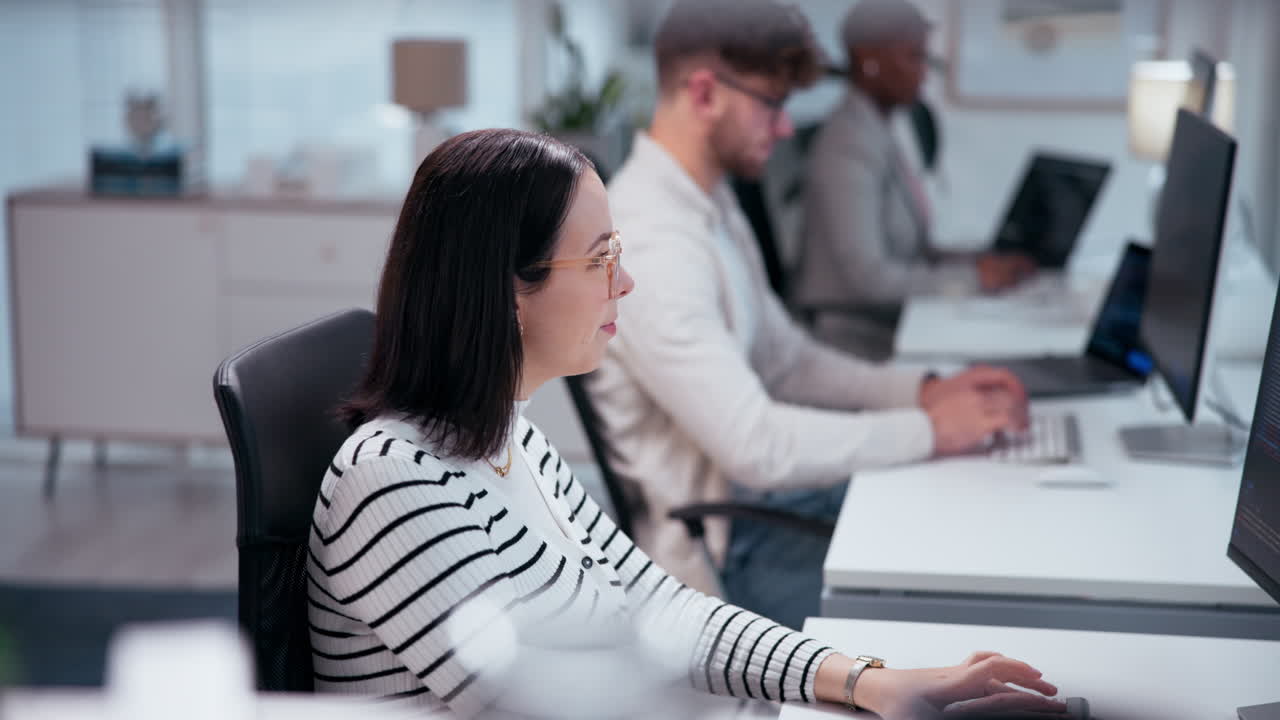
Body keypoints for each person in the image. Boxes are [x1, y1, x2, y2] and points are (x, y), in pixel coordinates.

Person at [307, 127, 1066, 720]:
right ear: (508, 294)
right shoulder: (393, 481)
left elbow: (656, 605)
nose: (626, 282)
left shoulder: (515, 441)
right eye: (601, 257)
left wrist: (869, 682)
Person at [588, 0, 1030, 628]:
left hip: (763, 505)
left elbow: (787, 360)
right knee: (966, 596)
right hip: (728, 548)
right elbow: (756, 447)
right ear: (706, 93)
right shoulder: (656, 242)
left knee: (975, 516)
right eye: (772, 102)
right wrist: (932, 429)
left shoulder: (707, 204)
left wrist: (924, 392)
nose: (788, 127)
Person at [794, 0, 1036, 359]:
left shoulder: (879, 130)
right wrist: (973, 281)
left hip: (887, 326)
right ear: (869, 60)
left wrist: (975, 261)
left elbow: (910, 252)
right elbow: (868, 279)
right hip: (851, 341)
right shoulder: (848, 143)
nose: (925, 73)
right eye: (914, 57)